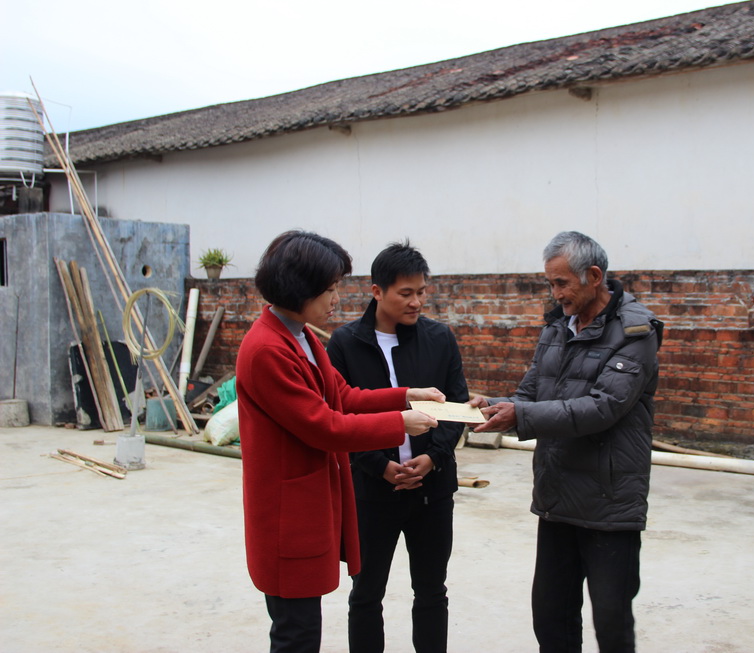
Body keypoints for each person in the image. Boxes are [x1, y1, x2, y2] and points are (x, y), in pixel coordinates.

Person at [236, 230, 445, 653]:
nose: (337, 298)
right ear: (300, 288)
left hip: (309, 505)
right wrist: (399, 424)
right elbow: (324, 426)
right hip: (286, 513)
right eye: (330, 289)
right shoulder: (267, 349)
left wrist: (405, 395)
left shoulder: (301, 335)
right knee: (296, 633)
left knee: (303, 626)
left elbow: (343, 396)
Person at [470, 231, 663, 653]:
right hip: (557, 498)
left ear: (594, 276)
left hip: (610, 504)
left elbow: (603, 407)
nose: (555, 294)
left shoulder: (636, 331)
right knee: (551, 618)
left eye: (561, 283)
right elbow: (529, 394)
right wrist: (492, 406)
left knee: (611, 622)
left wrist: (520, 415)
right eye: (551, 283)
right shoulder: (558, 328)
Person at [326, 241, 468, 653]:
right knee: (366, 594)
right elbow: (340, 414)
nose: (416, 302)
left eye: (421, 291)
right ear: (377, 291)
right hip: (371, 493)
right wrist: (378, 465)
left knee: (432, 591)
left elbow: (456, 405)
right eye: (406, 293)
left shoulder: (439, 338)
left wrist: (432, 458)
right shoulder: (345, 343)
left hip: (432, 491)